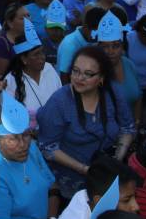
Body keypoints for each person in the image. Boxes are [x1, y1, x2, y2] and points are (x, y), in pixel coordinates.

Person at [38, 46, 136, 200]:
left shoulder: (113, 93)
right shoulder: (60, 101)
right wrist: (84, 169)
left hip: (106, 176)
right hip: (69, 182)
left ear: (102, 78)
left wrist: (116, 160)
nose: (79, 78)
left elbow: (127, 127)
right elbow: (48, 147)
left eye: (88, 74)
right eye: (75, 71)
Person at [4, 18, 61, 132]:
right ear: (24, 59)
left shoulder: (49, 68)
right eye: (36, 54)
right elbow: (10, 120)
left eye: (42, 52)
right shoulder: (10, 81)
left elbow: (61, 100)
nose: (42, 57)